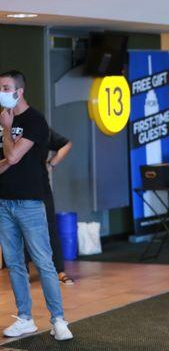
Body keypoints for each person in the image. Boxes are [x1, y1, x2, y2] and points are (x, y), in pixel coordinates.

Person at [0, 70, 73, 340]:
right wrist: (8, 156)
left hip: (30, 201)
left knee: (44, 262)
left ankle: (59, 320)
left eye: (6, 87)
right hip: (3, 202)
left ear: (19, 91)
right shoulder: (1, 121)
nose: (2, 92)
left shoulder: (35, 121)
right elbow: (6, 160)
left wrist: (7, 132)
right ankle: (25, 318)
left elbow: (14, 157)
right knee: (15, 263)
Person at [24, 129, 74, 285]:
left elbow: (66, 144)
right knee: (19, 230)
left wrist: (51, 163)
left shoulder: (39, 127)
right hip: (15, 188)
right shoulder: (6, 129)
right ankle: (23, 274)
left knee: (50, 227)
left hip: (40, 187)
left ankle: (59, 270)